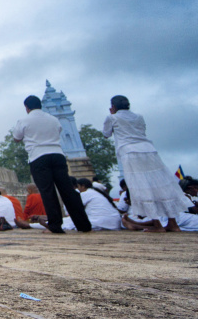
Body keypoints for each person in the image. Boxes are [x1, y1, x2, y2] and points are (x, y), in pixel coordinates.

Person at [102, 96, 190, 232]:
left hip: (130, 153)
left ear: (113, 106)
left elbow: (106, 134)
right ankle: (173, 223)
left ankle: (157, 224)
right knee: (161, 185)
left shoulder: (112, 117)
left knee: (143, 186)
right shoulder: (139, 116)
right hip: (149, 151)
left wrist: (112, 115)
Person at [13, 95, 91, 234]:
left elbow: (17, 138)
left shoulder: (24, 120)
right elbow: (59, 131)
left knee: (47, 192)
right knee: (67, 190)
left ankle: (55, 225)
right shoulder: (53, 119)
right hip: (57, 154)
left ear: (27, 107)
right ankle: (83, 224)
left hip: (38, 157)